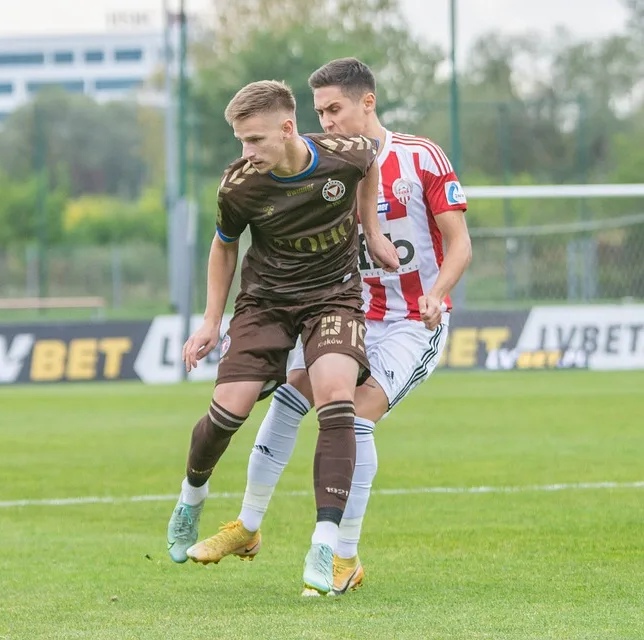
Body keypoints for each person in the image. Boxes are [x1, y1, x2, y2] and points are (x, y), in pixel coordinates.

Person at [186, 58, 473, 596]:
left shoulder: (420, 158)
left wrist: (435, 294)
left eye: (335, 109)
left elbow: (460, 242)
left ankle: (344, 558)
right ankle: (247, 525)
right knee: (291, 398)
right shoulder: (318, 160)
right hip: (345, 310)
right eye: (319, 111)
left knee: (353, 416)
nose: (328, 121)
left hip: (410, 321)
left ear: (368, 103)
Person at [165, 78, 401, 597]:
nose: (246, 153)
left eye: (254, 140)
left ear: (288, 128)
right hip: (265, 302)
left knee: (337, 398)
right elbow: (224, 246)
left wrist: (373, 231)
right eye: (240, 142)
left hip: (332, 299)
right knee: (228, 411)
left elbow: (370, 166)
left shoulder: (348, 152)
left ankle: (324, 542)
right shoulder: (240, 185)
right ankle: (192, 499)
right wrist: (210, 321)